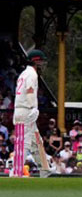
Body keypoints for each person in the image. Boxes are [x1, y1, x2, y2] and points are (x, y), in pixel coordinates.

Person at [9, 48, 48, 177]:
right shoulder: (31, 74)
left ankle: (44, 169)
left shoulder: (24, 74)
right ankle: (16, 172)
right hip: (26, 110)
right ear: (36, 61)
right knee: (23, 142)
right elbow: (30, 90)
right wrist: (33, 107)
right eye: (41, 61)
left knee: (36, 140)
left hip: (22, 109)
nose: (42, 64)